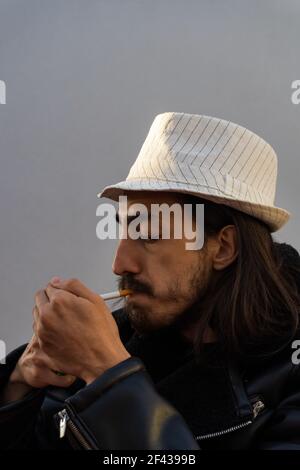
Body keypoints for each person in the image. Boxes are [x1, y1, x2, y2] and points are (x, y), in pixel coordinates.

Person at [1, 112, 300, 450]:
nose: (119, 264)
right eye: (125, 228)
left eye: (149, 231)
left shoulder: (288, 370)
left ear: (224, 247)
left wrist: (108, 375)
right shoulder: (121, 337)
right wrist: (19, 387)